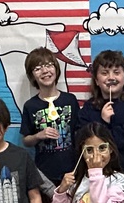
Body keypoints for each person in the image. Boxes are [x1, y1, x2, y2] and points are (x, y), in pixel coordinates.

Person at [78, 50, 124, 179]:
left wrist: (104, 130)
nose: (111, 77)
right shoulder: (89, 108)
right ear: (97, 80)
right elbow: (85, 142)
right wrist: (103, 121)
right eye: (104, 73)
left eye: (117, 72)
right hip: (99, 176)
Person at [21, 47, 81, 184]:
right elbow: (26, 140)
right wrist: (38, 136)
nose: (45, 71)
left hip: (72, 170)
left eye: (49, 65)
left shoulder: (70, 100)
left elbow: (79, 131)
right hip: (45, 172)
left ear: (56, 69)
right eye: (37, 68)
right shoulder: (30, 106)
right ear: (32, 76)